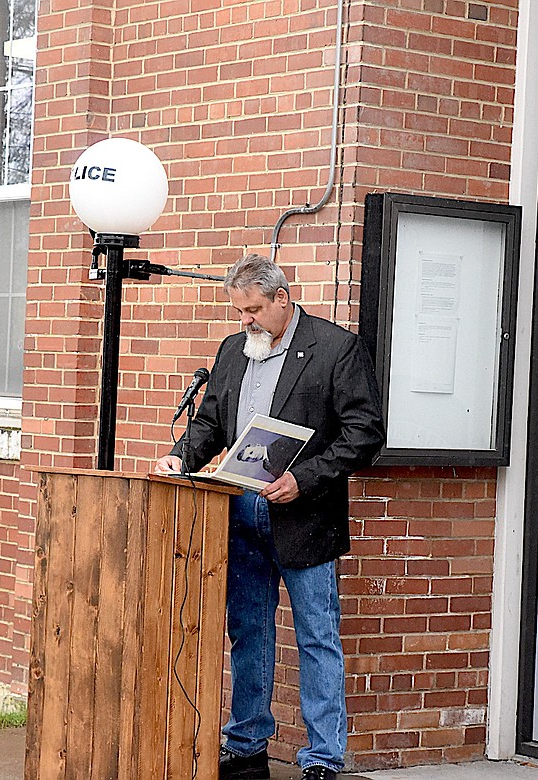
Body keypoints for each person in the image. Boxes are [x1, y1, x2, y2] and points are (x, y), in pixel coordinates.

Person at [154, 254, 385, 780]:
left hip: (303, 516)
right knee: (249, 632)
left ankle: (323, 758)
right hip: (239, 512)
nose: (245, 322)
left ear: (283, 298)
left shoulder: (335, 348)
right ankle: (247, 743)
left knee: (317, 638)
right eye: (239, 311)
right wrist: (182, 457)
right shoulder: (235, 350)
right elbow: (211, 421)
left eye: (254, 310)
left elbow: (364, 435)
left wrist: (305, 479)